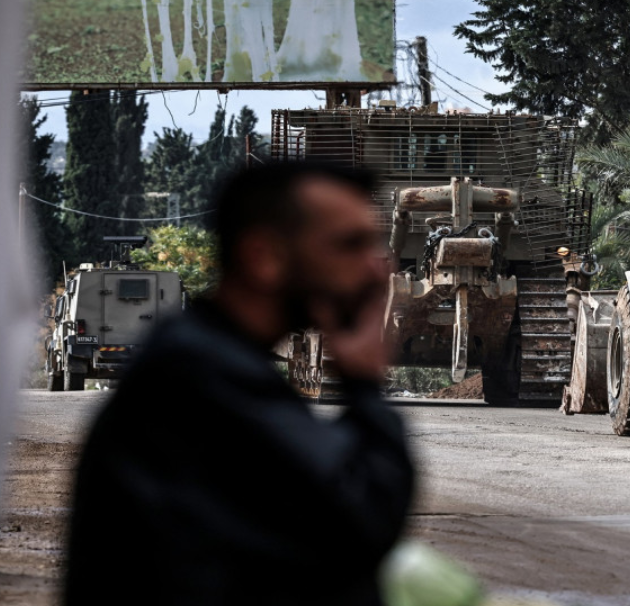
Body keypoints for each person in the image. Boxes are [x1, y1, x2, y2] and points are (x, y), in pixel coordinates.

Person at [64, 163, 415, 606]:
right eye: (350, 245)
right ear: (263, 258)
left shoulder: (206, 357)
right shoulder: (202, 379)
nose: (376, 270)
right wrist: (364, 385)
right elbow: (361, 520)